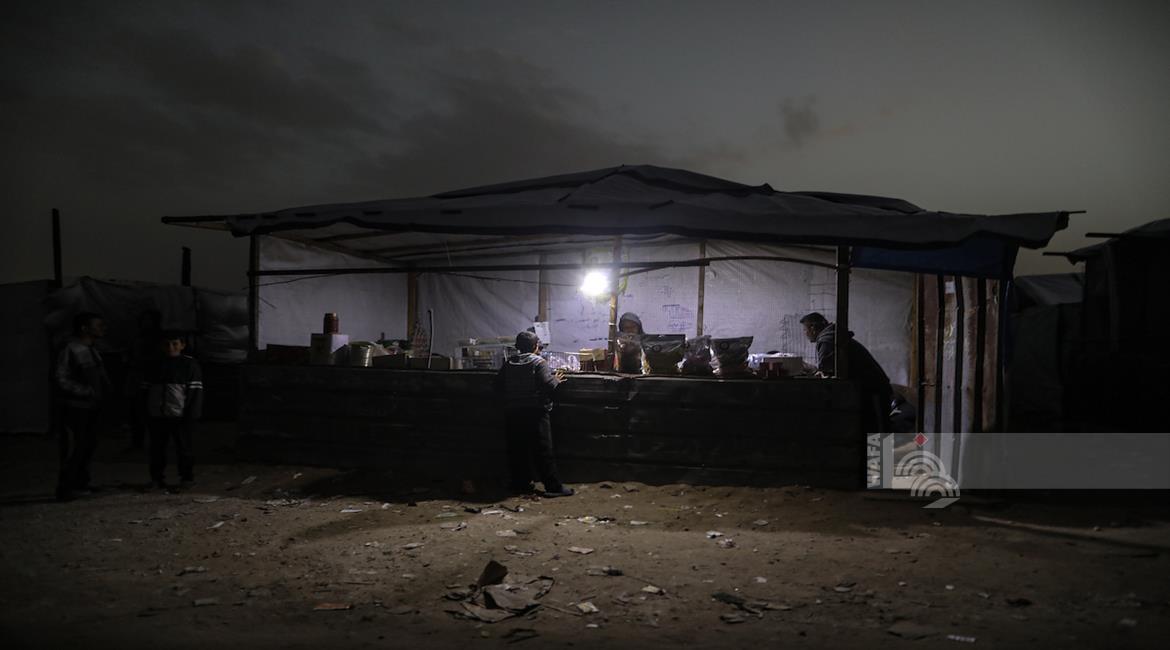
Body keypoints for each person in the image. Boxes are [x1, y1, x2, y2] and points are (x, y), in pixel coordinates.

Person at [495, 331, 574, 498]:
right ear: (535, 346)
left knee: (517, 450)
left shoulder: (509, 362)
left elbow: (498, 385)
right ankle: (553, 487)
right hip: (535, 412)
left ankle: (520, 484)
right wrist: (555, 380)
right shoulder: (539, 362)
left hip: (513, 412)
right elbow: (547, 385)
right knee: (543, 451)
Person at [800, 312, 893, 433]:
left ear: (812, 328)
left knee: (879, 432)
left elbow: (827, 372)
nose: (805, 333)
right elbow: (830, 369)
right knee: (873, 430)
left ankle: (893, 446)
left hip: (874, 390)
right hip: (872, 389)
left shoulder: (827, 340)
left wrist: (811, 369)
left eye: (805, 329)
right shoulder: (833, 337)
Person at [54, 312, 112, 501]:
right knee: (76, 447)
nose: (102, 328)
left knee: (87, 446)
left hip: (90, 406)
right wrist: (85, 391)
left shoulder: (91, 349)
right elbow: (60, 377)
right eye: (98, 325)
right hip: (75, 407)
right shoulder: (70, 348)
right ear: (84, 328)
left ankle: (80, 483)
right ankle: (66, 488)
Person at [142, 331, 203, 491]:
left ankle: (187, 478)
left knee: (184, 448)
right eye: (167, 344)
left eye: (175, 343)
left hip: (180, 415)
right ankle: (156, 479)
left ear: (182, 345)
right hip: (157, 414)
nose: (171, 347)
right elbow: (145, 390)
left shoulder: (189, 364)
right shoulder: (154, 364)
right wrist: (146, 412)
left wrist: (190, 414)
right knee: (157, 449)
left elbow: (195, 392)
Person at [125, 309, 162, 450]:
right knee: (135, 411)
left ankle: (153, 442)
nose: (146, 323)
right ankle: (137, 442)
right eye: (144, 320)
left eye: (149, 320)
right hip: (136, 378)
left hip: (150, 379)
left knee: (149, 412)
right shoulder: (137, 337)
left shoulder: (157, 339)